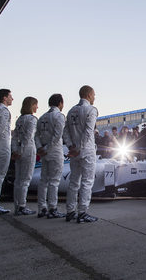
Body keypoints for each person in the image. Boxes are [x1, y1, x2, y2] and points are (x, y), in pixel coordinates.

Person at [63, 85, 99, 223]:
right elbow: (88, 131)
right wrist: (80, 147)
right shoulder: (91, 110)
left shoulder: (71, 110)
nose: (94, 97)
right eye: (94, 94)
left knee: (73, 181)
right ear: (89, 95)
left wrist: (71, 146)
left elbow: (65, 131)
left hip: (74, 151)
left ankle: (70, 211)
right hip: (86, 150)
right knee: (87, 181)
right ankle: (82, 212)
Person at [35, 94, 66, 219]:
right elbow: (58, 135)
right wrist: (46, 149)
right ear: (60, 103)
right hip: (54, 151)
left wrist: (40, 148)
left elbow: (36, 135)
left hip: (44, 151)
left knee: (43, 181)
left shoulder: (42, 117)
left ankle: (42, 208)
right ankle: (52, 208)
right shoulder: (59, 116)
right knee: (54, 181)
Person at [11, 97, 38, 216]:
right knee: (25, 180)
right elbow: (28, 136)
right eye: (36, 105)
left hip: (19, 151)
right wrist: (21, 151)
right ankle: (22, 205)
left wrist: (15, 150)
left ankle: (17, 205)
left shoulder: (20, 119)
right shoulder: (32, 119)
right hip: (28, 150)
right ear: (32, 105)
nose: (37, 107)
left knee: (18, 180)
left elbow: (14, 137)